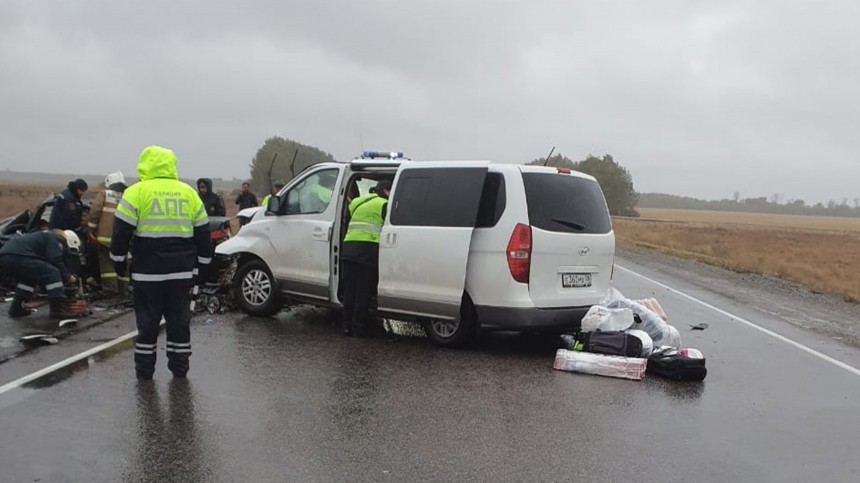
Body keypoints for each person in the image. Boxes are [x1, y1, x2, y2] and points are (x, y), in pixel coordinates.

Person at [112, 145, 212, 380]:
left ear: (144, 165)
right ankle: (180, 369)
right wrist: (204, 266)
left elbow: (120, 234)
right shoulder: (188, 193)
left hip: (147, 274)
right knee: (179, 321)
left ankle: (145, 372)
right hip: (181, 274)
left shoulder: (136, 192)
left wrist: (118, 263)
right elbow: (203, 235)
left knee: (147, 324)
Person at [340, 179, 391, 337]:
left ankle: (346, 326)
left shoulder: (356, 201)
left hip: (349, 248)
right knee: (363, 292)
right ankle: (358, 328)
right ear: (385, 191)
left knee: (350, 291)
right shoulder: (383, 204)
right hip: (367, 250)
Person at [0, 229, 84, 319]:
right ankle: (57, 310)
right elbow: (54, 260)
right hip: (18, 255)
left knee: (28, 279)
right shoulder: (56, 239)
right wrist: (67, 276)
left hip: (5, 255)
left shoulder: (46, 236)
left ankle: (16, 308)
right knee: (52, 272)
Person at [86, 171, 129, 297]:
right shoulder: (129, 195)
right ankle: (123, 290)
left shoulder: (105, 194)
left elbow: (95, 212)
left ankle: (111, 291)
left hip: (105, 239)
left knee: (107, 266)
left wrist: (90, 229)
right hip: (125, 238)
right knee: (123, 264)